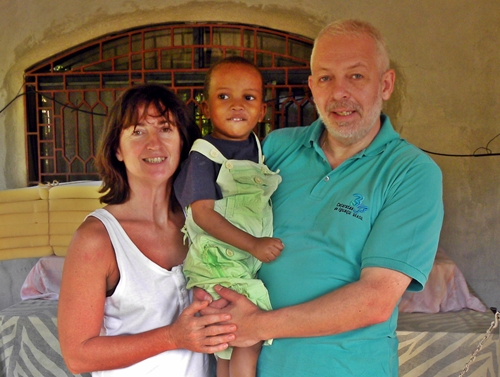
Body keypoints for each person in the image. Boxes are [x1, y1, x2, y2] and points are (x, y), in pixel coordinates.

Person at [198, 19, 444, 376]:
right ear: (312, 87)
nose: (339, 93)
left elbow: (375, 300)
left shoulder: (411, 172)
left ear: (385, 84)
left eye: (356, 76)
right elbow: (223, 217)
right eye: (326, 78)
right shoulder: (277, 148)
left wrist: (258, 325)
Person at [58, 84, 236, 377]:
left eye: (165, 129)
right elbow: (77, 355)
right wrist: (173, 337)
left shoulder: (202, 223)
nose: (154, 144)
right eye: (138, 131)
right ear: (117, 148)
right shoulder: (98, 238)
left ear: (182, 142)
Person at [174, 56, 283, 377]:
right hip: (217, 264)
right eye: (224, 97)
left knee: (226, 348)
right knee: (248, 338)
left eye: (248, 98)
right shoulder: (204, 154)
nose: (236, 105)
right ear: (205, 108)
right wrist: (253, 244)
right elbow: (203, 215)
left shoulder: (258, 149)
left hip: (239, 263)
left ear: (262, 110)